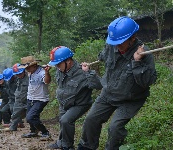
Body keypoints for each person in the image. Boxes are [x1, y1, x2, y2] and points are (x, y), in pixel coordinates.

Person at [77, 16, 157, 150]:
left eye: (120, 42)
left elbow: (148, 82)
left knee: (115, 128)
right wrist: (89, 66)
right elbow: (103, 56)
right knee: (90, 120)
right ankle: (86, 147)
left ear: (133, 38)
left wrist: (137, 62)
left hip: (131, 99)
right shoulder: (111, 45)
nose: (117, 46)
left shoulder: (145, 53)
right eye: (115, 42)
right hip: (108, 94)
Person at [46, 46, 102, 150]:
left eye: (59, 64)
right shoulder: (61, 70)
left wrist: (88, 72)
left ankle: (67, 146)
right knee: (62, 122)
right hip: (64, 103)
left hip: (80, 103)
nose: (57, 67)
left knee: (66, 120)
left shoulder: (82, 71)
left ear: (68, 61)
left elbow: (99, 85)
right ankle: (61, 142)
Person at [19, 56, 51, 140]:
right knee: (29, 117)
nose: (27, 69)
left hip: (41, 99)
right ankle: (33, 131)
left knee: (31, 117)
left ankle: (45, 132)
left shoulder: (42, 72)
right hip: (31, 97)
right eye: (26, 68)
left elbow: (47, 81)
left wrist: (47, 72)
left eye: (28, 67)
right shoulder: (30, 72)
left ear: (34, 65)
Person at [1, 63, 28, 131]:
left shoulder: (28, 77)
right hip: (17, 98)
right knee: (15, 112)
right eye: (17, 74)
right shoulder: (14, 79)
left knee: (30, 115)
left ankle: (33, 129)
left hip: (28, 98)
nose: (19, 75)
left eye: (20, 73)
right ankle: (13, 127)